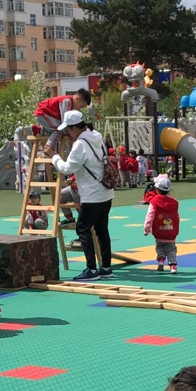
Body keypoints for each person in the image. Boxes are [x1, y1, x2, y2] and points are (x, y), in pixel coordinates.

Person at [50, 110, 115, 282]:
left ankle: (91, 269)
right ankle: (106, 267)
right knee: (102, 229)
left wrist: (54, 157)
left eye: (68, 130)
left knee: (83, 228)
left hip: (92, 195)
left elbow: (67, 168)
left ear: (74, 128)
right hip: (106, 191)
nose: (67, 134)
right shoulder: (96, 136)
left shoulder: (80, 144)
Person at [36, 89, 91, 153]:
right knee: (59, 130)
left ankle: (38, 130)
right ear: (77, 99)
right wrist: (68, 132)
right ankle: (49, 148)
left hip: (47, 115)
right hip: (44, 114)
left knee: (56, 130)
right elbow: (64, 121)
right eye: (81, 106)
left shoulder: (69, 103)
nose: (79, 108)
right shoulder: (67, 102)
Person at [144, 173, 180, 273]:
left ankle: (160, 261)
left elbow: (150, 215)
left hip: (158, 231)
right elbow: (177, 217)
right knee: (171, 249)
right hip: (171, 231)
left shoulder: (154, 201)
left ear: (156, 189)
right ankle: (173, 266)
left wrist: (147, 229)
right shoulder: (174, 202)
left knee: (159, 246)